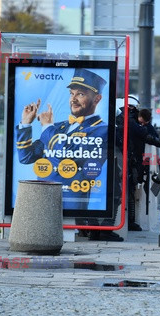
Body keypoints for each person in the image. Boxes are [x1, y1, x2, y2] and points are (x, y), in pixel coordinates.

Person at [15, 68, 108, 211]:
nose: (73, 99)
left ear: (97, 98)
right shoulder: (59, 127)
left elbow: (66, 154)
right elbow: (26, 157)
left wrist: (47, 126)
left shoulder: (102, 130)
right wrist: (26, 123)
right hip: (44, 196)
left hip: (71, 199)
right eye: (72, 94)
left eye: (81, 94)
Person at [116, 96, 160, 231]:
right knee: (130, 191)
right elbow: (148, 135)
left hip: (123, 160)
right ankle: (130, 221)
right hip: (131, 160)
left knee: (125, 191)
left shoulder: (121, 119)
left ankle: (126, 221)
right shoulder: (131, 122)